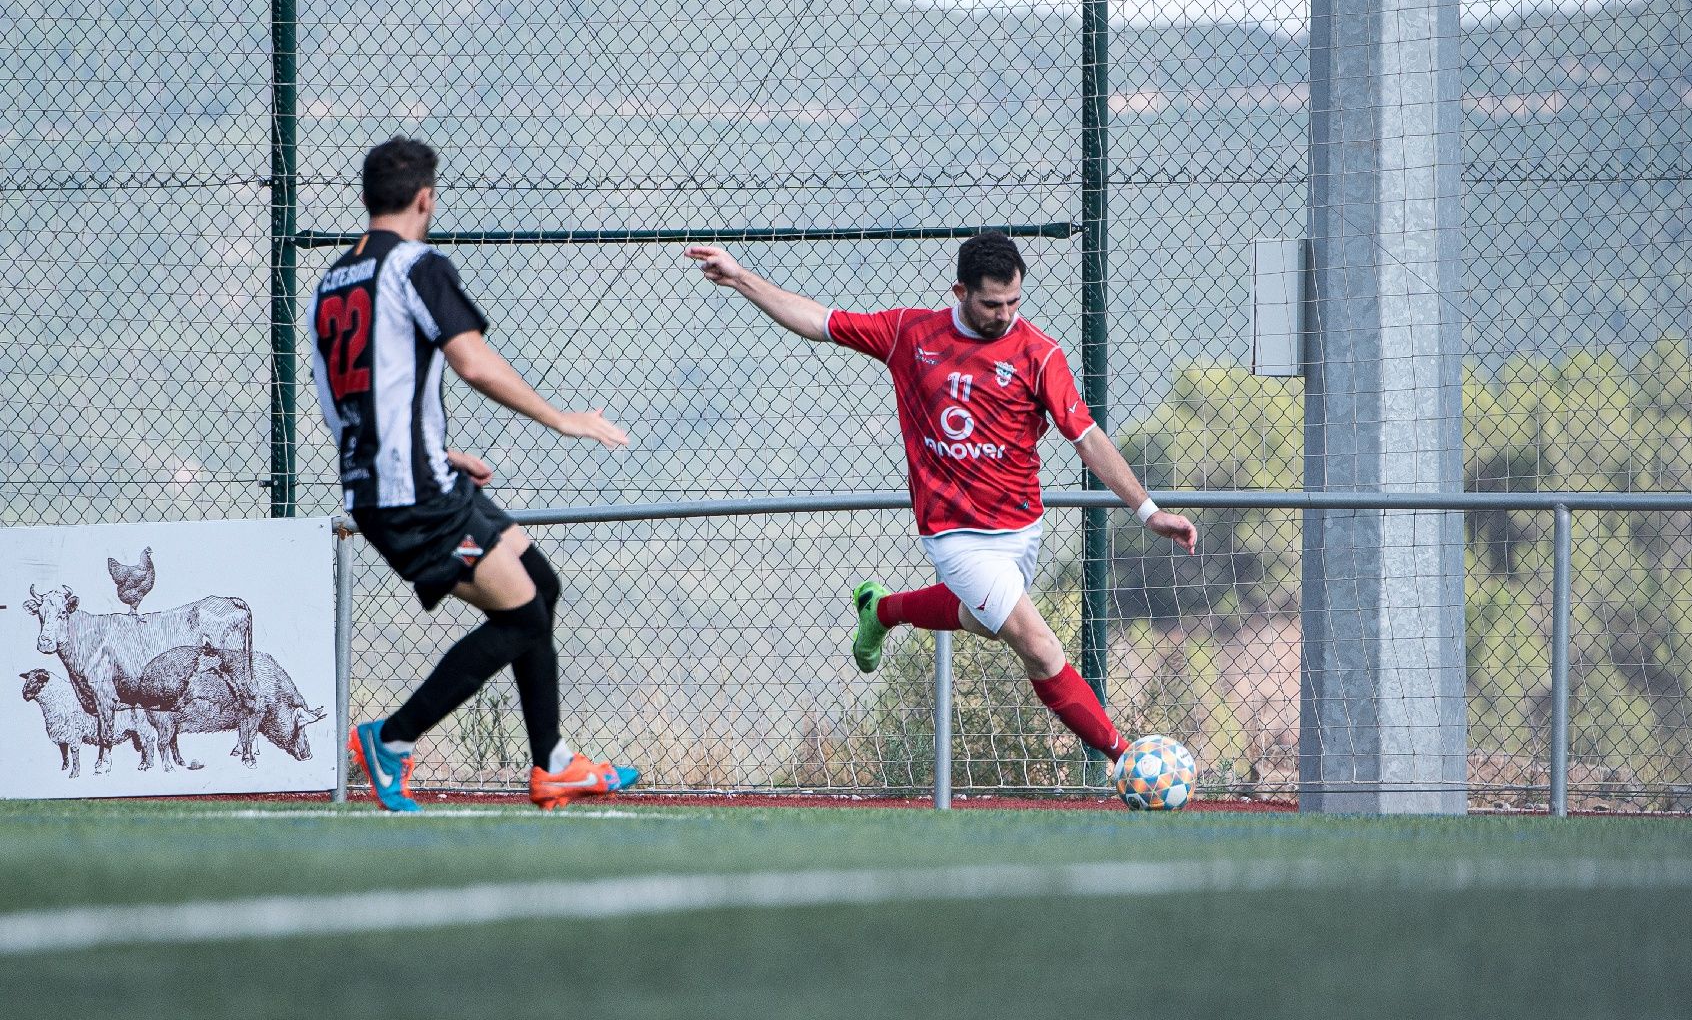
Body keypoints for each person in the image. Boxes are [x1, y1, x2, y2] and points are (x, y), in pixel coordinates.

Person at [687, 231, 1196, 769]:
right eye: (991, 304)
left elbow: (1087, 437)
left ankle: (881, 609)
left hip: (1022, 529)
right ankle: (1130, 761)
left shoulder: (1039, 355)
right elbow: (819, 321)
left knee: (980, 621)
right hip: (953, 534)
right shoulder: (911, 333)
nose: (1005, 314)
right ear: (959, 292)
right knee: (1040, 647)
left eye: (1014, 302)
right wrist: (740, 277)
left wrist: (1148, 509)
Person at [309, 136, 637, 812]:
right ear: (426, 199)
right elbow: (474, 362)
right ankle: (391, 739)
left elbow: (348, 395)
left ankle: (553, 763)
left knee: (539, 584)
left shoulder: (332, 282)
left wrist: (439, 451)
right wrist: (562, 417)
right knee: (519, 616)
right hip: (412, 495)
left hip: (403, 478)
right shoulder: (416, 266)